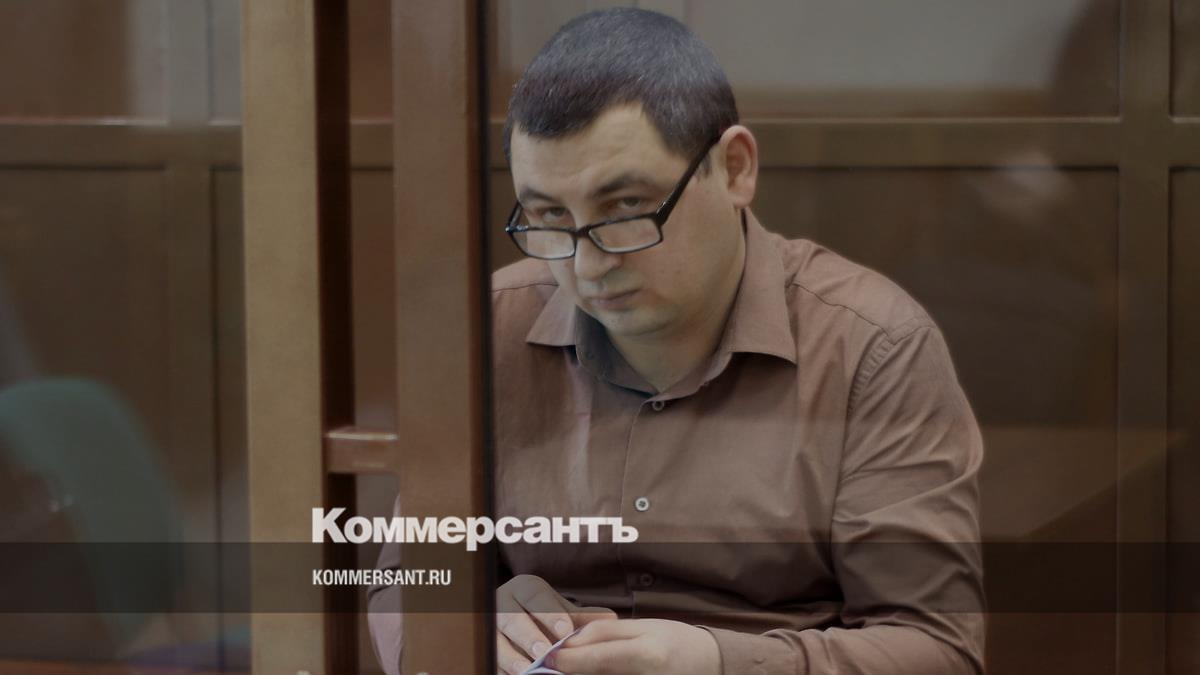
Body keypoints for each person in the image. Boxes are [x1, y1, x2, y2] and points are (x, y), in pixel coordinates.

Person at [370, 8, 984, 674]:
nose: (587, 264)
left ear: (735, 169)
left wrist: (718, 661)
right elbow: (405, 583)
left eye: (627, 207)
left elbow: (937, 649)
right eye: (549, 216)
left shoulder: (871, 346)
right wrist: (467, 624)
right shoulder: (492, 329)